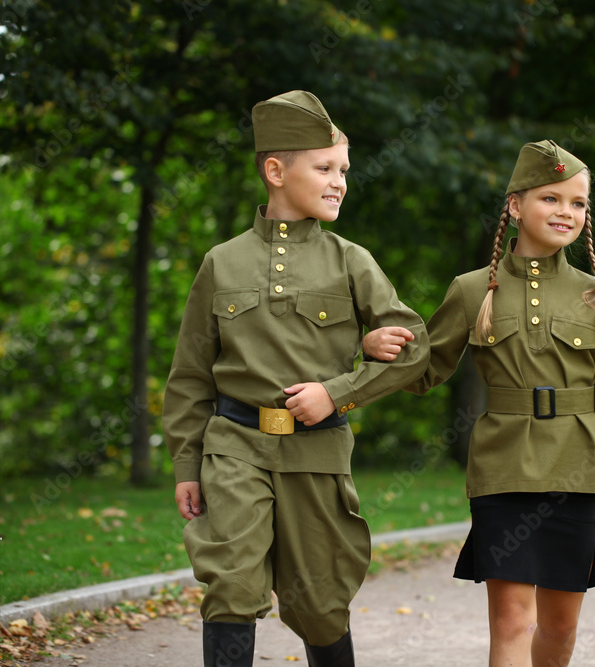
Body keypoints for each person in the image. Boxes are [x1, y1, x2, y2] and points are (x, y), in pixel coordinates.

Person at [363, 140, 595, 666]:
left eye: (578, 203)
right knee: (512, 621)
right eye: (551, 199)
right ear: (515, 206)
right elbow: (424, 372)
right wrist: (370, 352)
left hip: (575, 469)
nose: (566, 212)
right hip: (502, 468)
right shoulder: (473, 289)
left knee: (560, 629)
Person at [162, 90, 429, 667]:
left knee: (319, 601)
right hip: (234, 447)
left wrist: (338, 392)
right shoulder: (222, 262)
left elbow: (415, 350)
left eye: (344, 171)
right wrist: (188, 464)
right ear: (276, 171)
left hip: (318, 455)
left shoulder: (351, 261)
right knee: (229, 585)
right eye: (326, 168)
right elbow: (189, 375)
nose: (340, 182)